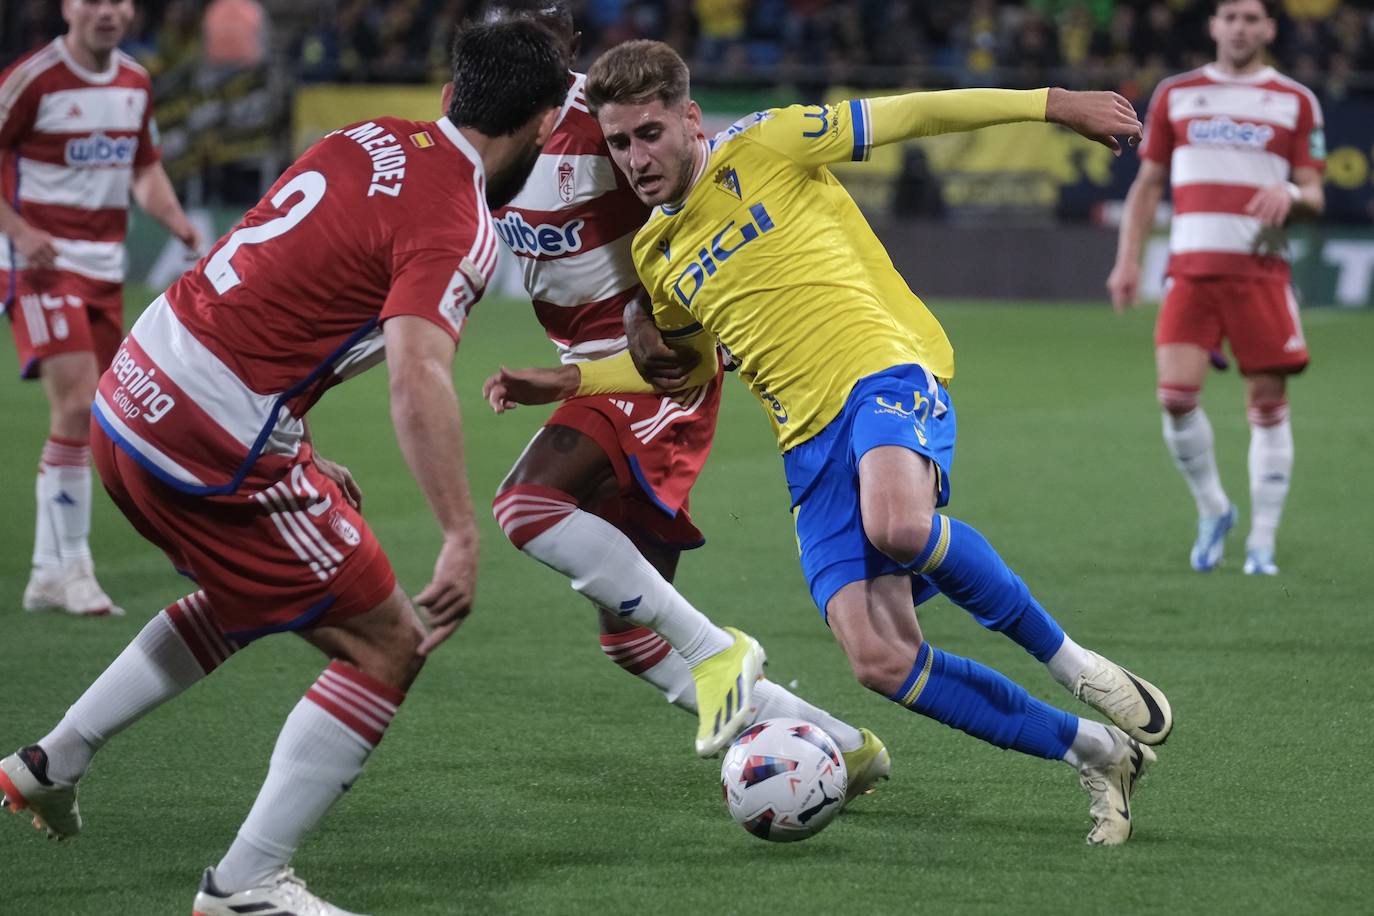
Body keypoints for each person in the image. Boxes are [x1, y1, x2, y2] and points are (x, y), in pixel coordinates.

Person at [502, 40, 1173, 846]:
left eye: (650, 134)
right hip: (805, 444)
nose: (636, 158)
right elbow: (688, 369)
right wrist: (570, 380)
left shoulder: (769, 142)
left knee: (898, 525)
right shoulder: (656, 252)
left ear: (689, 119)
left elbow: (912, 113)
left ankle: (1077, 666)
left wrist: (1052, 104)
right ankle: (1098, 753)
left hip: (881, 372)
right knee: (880, 660)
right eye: (618, 143)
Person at [0, 20, 567, 915]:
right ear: (542, 126)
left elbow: (273, 285)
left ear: (449, 95)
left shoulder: (367, 135)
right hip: (205, 438)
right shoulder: (459, 218)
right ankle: (247, 884)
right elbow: (417, 374)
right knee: (388, 643)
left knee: (247, 592)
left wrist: (294, 447)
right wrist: (461, 532)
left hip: (134, 388)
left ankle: (50, 761)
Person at [477, 0, 890, 794]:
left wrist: (648, 314)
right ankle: (845, 747)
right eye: (505, 32)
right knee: (631, 637)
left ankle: (719, 651)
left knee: (526, 506)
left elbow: (689, 206)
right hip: (587, 370)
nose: (523, 53)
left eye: (539, 35)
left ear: (566, 45)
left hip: (654, 369)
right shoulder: (484, 134)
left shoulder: (605, 126)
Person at [1107, 0, 1325, 576]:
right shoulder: (1176, 94)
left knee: (1267, 406)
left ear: (1269, 28)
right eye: (1230, 16)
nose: (1240, 27)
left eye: (1252, 18)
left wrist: (1293, 196)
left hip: (1260, 271)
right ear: (1213, 26)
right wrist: (1127, 261)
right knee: (1175, 399)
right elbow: (1148, 185)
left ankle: (1263, 544)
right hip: (1191, 270)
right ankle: (1214, 509)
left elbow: (1315, 192)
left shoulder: (1296, 100)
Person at [1, 0, 202, 617]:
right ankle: (73, 570)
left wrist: (178, 222)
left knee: (99, 413)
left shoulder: (135, 82)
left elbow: (144, 169)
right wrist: (18, 230)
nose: (108, 11)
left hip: (105, 269)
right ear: (68, 7)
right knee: (76, 403)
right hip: (41, 264)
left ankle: (47, 573)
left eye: (119, 0)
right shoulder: (32, 79)